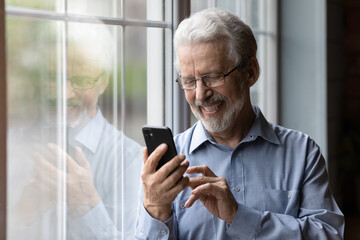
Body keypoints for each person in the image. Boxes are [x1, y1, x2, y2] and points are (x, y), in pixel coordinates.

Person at [135, 8, 345, 239]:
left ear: (251, 72)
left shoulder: (302, 153)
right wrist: (155, 208)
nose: (200, 94)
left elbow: (329, 235)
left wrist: (240, 217)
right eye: (189, 81)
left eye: (213, 77)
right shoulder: (169, 167)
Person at [7, 22, 143, 239]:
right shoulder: (10, 144)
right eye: (54, 78)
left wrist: (84, 205)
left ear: (103, 83)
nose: (65, 94)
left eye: (81, 80)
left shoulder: (129, 160)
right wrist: (21, 214)